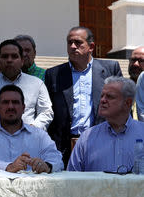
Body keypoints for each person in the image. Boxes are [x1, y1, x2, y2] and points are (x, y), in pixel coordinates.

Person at [45, 26, 122, 165]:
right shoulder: (53, 74)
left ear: (91, 46)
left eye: (78, 42)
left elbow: (121, 107)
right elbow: (49, 111)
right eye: (69, 43)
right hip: (64, 148)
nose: (73, 46)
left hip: (103, 143)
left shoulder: (111, 69)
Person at [0, 85, 63, 173]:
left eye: (15, 102)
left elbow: (57, 159)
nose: (10, 106)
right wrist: (9, 167)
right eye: (5, 102)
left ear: (23, 108)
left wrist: (47, 166)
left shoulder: (39, 135)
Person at [68, 77, 144, 172]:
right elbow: (71, 180)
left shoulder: (142, 133)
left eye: (110, 97)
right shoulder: (87, 138)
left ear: (127, 103)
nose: (103, 100)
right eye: (102, 96)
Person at [0, 39, 53, 130]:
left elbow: (46, 112)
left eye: (14, 56)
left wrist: (31, 129)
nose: (9, 60)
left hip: (30, 137)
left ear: (22, 61)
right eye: (5, 56)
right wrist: (12, 129)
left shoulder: (37, 83)